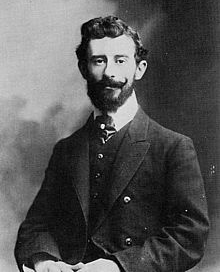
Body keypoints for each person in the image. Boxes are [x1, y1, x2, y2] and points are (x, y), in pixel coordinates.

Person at [15, 16, 209, 272]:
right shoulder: (66, 150)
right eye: (99, 60)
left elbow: (189, 235)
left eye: (120, 60)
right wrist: (44, 261)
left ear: (139, 69)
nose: (109, 72)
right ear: (84, 69)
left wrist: (119, 266)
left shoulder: (173, 147)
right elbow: (36, 226)